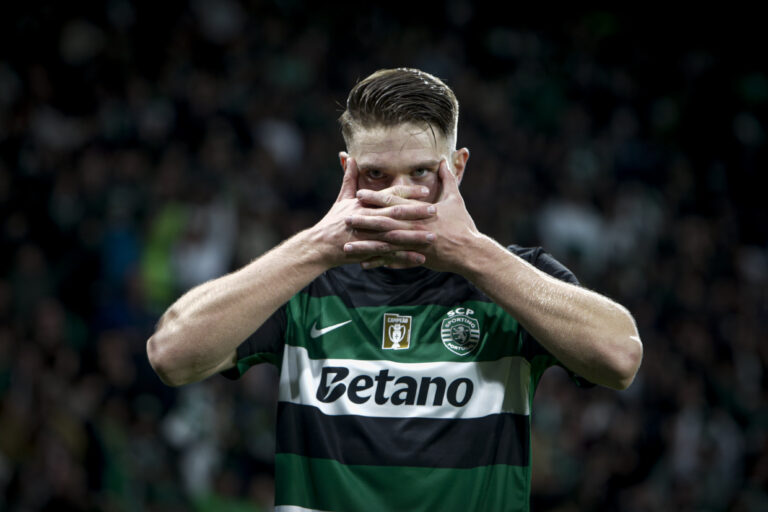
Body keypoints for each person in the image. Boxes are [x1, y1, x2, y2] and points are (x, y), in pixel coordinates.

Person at [147, 68, 643, 512]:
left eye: (422, 172)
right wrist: (318, 247)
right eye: (376, 174)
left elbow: (620, 357)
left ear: (458, 168)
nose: (398, 193)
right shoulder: (302, 283)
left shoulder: (511, 280)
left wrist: (472, 252)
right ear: (348, 171)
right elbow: (171, 353)